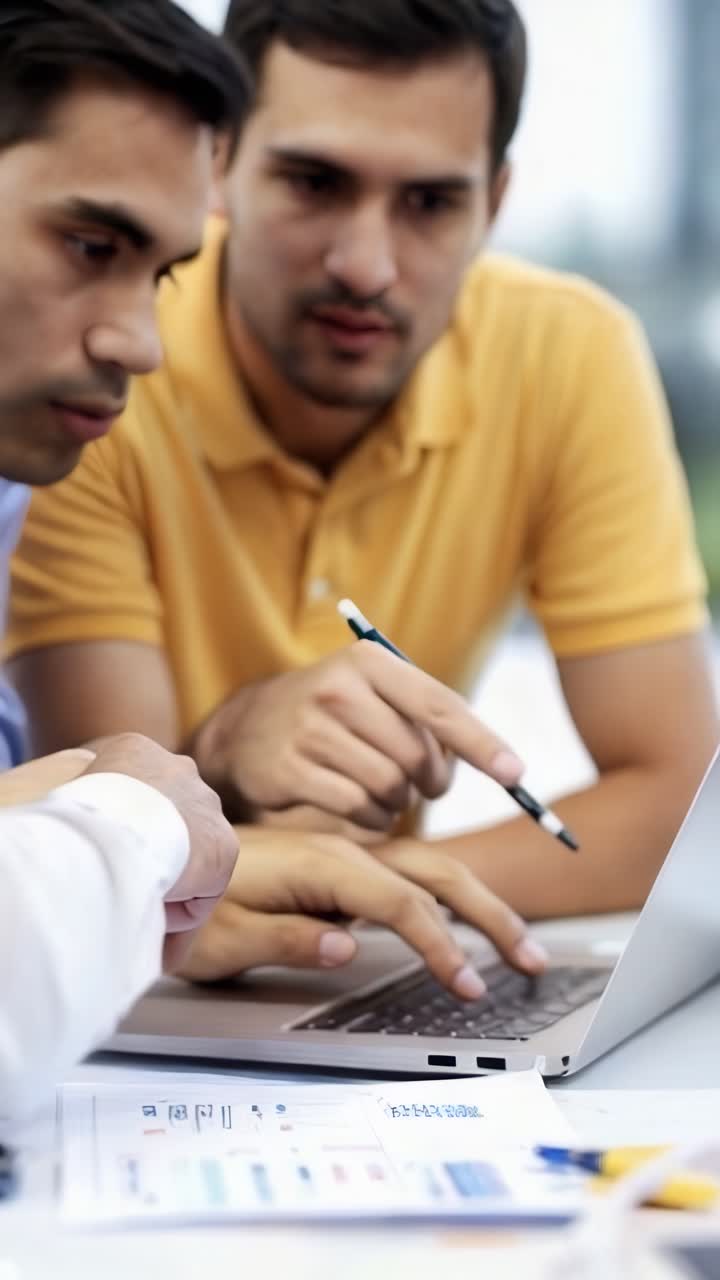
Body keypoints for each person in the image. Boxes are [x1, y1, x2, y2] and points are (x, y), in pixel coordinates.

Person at [7, 0, 718, 989]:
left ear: (497, 202)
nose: (366, 265)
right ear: (222, 167)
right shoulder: (89, 375)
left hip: (343, 970)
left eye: (431, 202)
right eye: (312, 181)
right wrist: (228, 745)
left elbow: (683, 804)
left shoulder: (567, 352)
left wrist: (379, 884)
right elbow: (106, 826)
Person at [0, 2, 545, 1121]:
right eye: (91, 246)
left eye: (156, 273)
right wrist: (142, 820)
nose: (137, 344)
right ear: (233, 176)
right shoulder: (68, 439)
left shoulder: (14, 470)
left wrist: (143, 838)